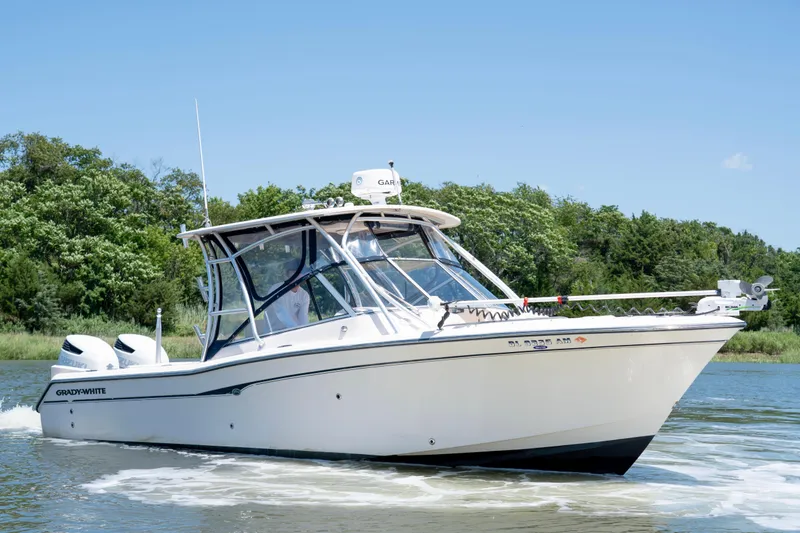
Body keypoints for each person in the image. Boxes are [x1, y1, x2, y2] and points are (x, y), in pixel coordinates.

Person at [265, 260, 310, 330]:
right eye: (294, 273)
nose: (297, 276)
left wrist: (306, 331)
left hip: (292, 332)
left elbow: (303, 318)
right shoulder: (275, 289)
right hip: (273, 333)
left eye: (300, 273)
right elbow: (281, 313)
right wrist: (296, 330)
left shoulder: (304, 295)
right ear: (286, 274)